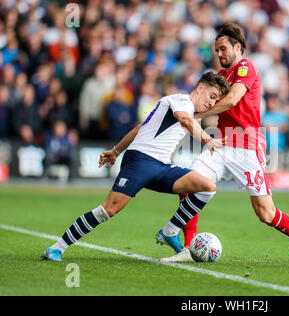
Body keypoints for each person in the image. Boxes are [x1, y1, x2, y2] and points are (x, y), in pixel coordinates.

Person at [157, 23, 289, 264]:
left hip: (246, 147)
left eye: (222, 49)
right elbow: (202, 100)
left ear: (237, 46)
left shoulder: (246, 68)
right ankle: (188, 247)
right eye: (216, 50)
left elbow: (231, 100)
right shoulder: (220, 76)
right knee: (190, 184)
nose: (218, 54)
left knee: (266, 213)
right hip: (221, 142)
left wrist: (196, 115)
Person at [41, 72, 230, 261]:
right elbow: (185, 121)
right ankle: (57, 247)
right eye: (212, 97)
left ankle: (169, 232)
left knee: (207, 187)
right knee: (108, 210)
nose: (211, 104)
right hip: (141, 162)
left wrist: (115, 151)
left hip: (161, 167)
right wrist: (207, 139)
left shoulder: (189, 113)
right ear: (200, 88)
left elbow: (141, 128)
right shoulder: (181, 101)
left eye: (216, 101)